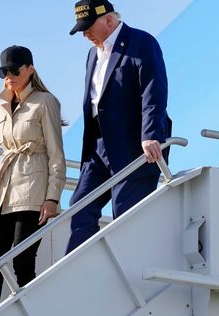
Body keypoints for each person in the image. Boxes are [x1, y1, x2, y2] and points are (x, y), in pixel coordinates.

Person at [0, 45, 67, 316]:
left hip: (33, 188)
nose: (8, 75)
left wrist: (53, 196)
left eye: (14, 69)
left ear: (30, 69)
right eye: (3, 71)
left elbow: (56, 153)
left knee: (23, 259)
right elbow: (6, 155)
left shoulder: (45, 101)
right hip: (2, 192)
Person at [66, 0, 172, 253]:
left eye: (88, 27)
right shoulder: (92, 54)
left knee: (124, 211)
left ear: (109, 20)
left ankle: (122, 271)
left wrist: (150, 135)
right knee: (79, 205)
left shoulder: (141, 43)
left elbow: (153, 91)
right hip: (98, 147)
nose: (85, 34)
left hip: (133, 145)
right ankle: (77, 268)